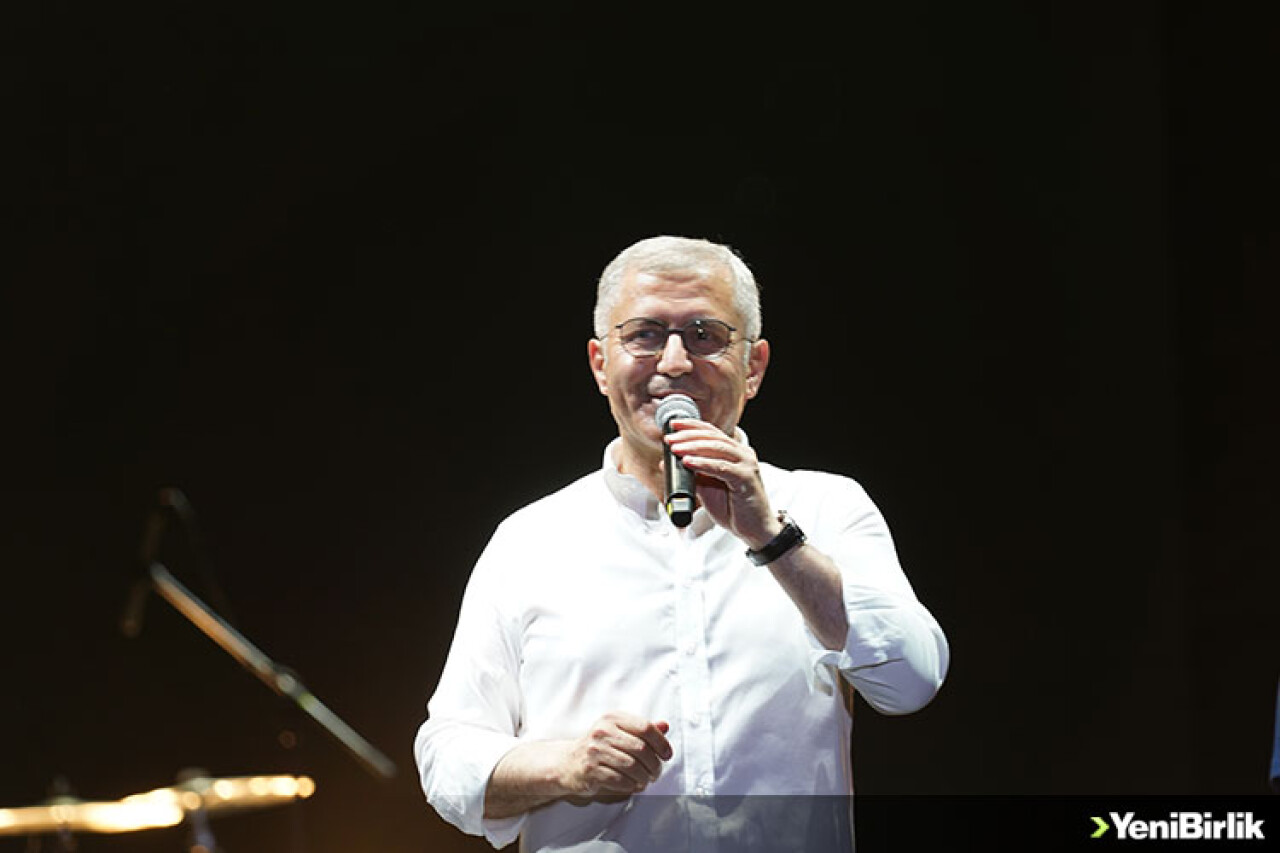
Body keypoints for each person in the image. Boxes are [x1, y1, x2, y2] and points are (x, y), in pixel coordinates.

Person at [415, 236, 949, 852]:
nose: (673, 362)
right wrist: (566, 767)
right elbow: (447, 757)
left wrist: (772, 538)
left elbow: (911, 680)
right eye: (644, 335)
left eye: (704, 335)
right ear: (600, 363)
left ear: (753, 367)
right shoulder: (530, 540)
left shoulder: (827, 508)